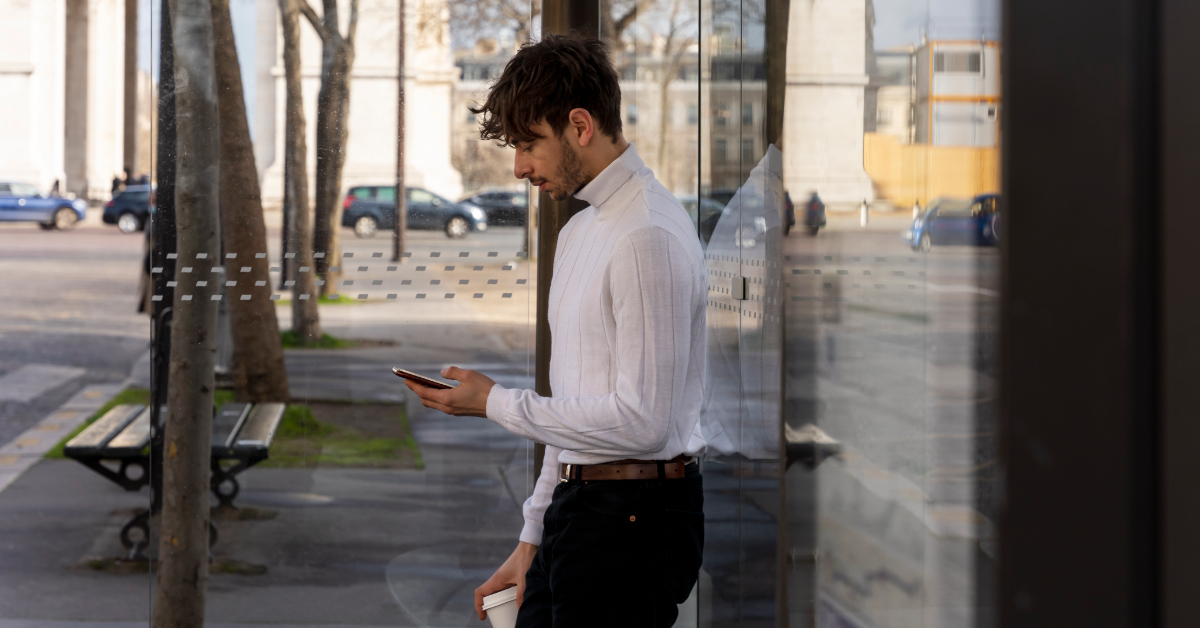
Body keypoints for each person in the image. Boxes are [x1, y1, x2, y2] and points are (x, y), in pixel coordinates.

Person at [401, 33, 708, 628]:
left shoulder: (648, 235)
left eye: (529, 144)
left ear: (580, 125)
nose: (518, 168)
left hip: (635, 518)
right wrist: (531, 537)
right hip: (584, 509)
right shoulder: (579, 232)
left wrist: (495, 403)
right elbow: (572, 412)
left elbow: (643, 424)